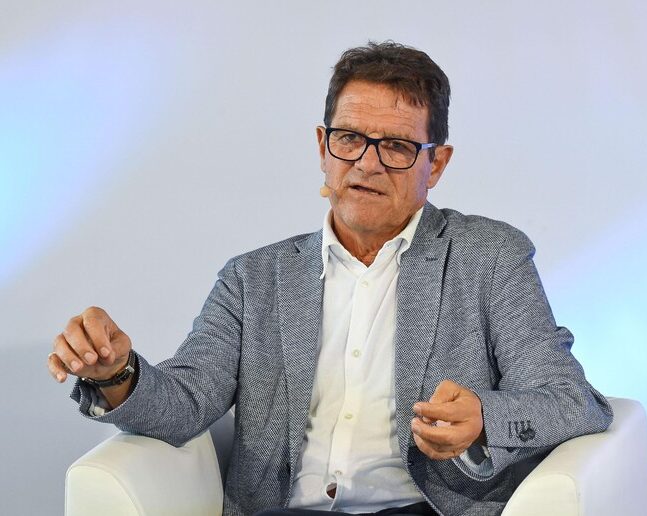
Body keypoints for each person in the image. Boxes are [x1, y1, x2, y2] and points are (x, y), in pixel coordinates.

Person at [48, 42, 612, 516]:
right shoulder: (253, 278)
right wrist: (116, 371)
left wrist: (484, 418)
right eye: (349, 139)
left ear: (436, 164)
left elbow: (574, 402)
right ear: (323, 147)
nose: (367, 163)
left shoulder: (489, 257)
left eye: (396, 147)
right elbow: (186, 403)